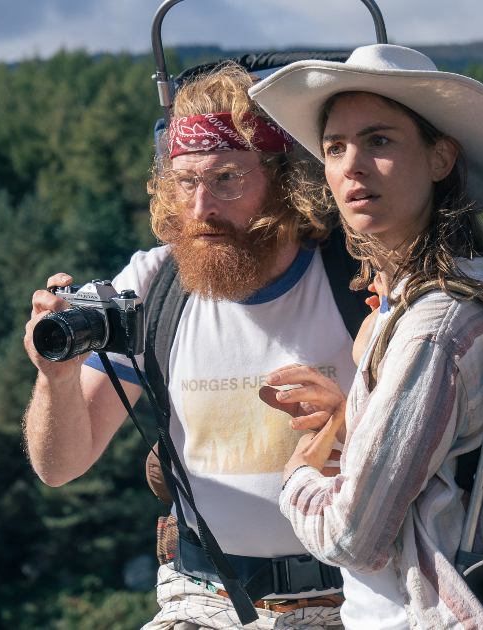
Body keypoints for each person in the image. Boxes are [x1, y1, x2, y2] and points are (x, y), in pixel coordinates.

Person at [22, 64, 372, 630]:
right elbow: (59, 466)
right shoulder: (154, 285)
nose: (202, 207)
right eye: (186, 182)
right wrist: (55, 379)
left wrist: (350, 422)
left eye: (228, 178)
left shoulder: (356, 282)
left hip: (351, 600)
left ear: (286, 179)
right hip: (201, 601)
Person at [247, 45, 483, 629]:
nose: (352, 165)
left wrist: (297, 473)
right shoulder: (450, 300)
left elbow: (353, 538)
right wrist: (352, 416)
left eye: (379, 141)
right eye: (335, 148)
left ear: (441, 158)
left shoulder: (433, 330)